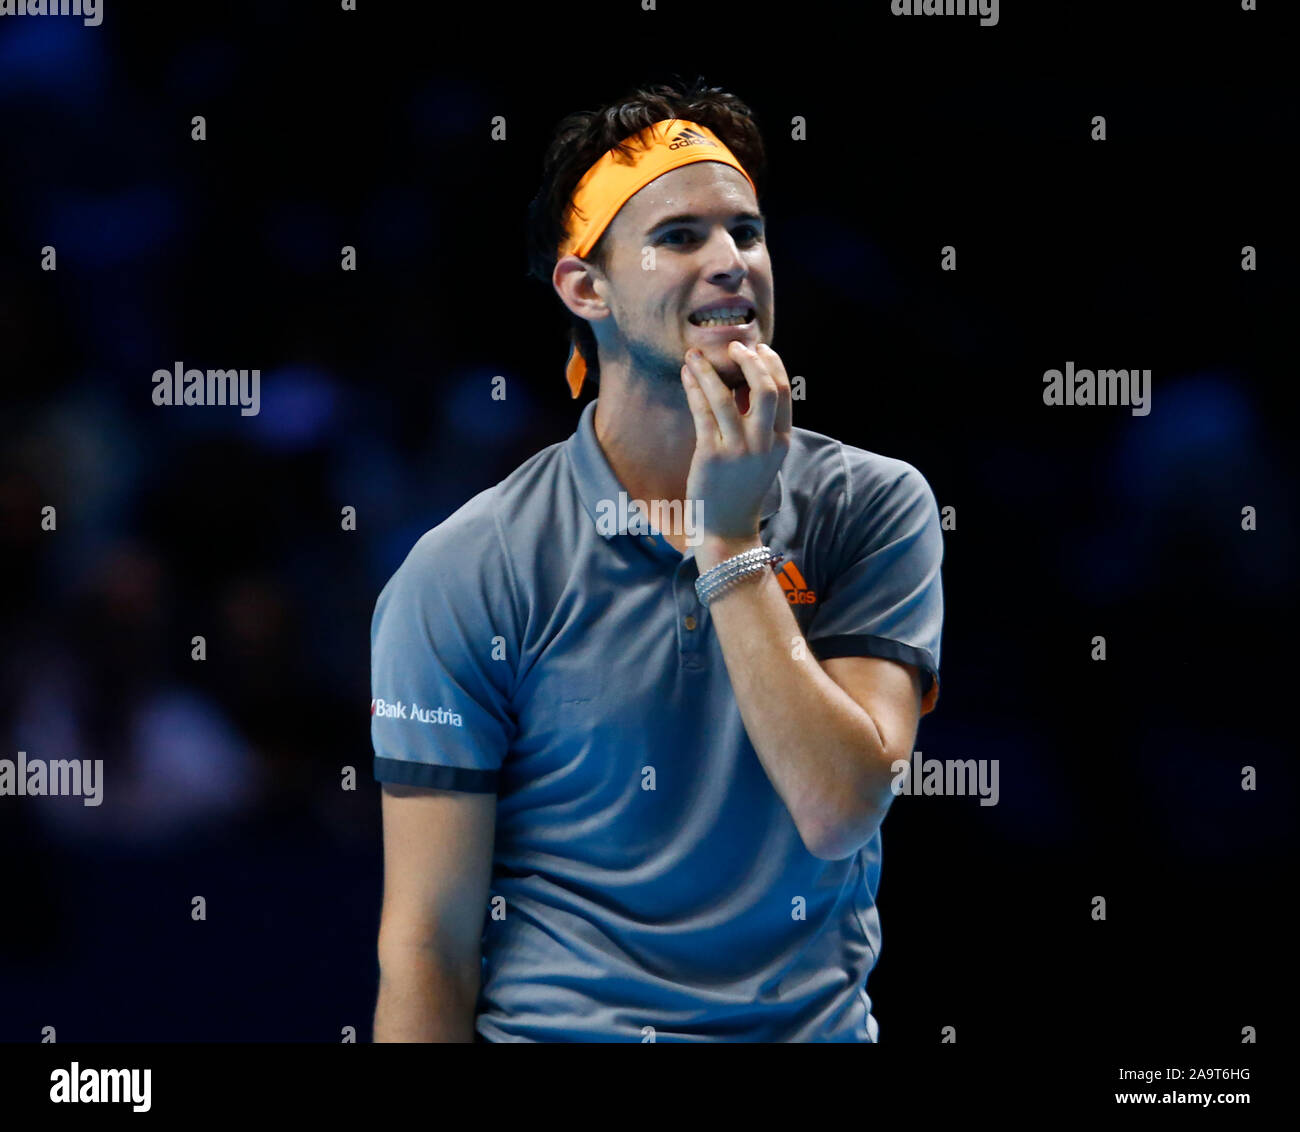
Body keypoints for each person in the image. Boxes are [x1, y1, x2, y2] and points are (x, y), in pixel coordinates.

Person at [371, 77, 944, 1042]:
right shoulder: (466, 569)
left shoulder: (873, 505)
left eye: (748, 234)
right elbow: (428, 946)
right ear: (585, 287)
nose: (731, 263)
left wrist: (726, 540)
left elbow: (841, 807)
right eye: (681, 238)